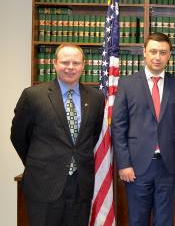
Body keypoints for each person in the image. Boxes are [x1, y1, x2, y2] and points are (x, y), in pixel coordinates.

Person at [10, 43, 104, 226]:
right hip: (43, 184)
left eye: (76, 63)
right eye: (65, 62)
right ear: (54, 64)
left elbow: (92, 136)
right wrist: (40, 162)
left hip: (80, 185)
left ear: (84, 65)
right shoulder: (33, 95)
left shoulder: (96, 98)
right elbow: (19, 136)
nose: (70, 67)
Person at [111, 33, 175, 226]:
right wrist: (123, 164)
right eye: (153, 51)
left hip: (168, 167)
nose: (158, 57)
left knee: (164, 221)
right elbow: (118, 127)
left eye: (163, 52)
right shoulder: (127, 84)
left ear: (169, 55)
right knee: (138, 220)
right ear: (144, 53)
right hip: (136, 167)